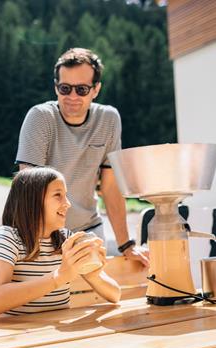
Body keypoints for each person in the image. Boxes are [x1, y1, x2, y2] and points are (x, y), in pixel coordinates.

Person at [16, 47, 148, 266]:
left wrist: (126, 245)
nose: (72, 97)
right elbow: (29, 187)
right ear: (55, 87)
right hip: (43, 234)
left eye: (82, 89)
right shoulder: (40, 117)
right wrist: (50, 239)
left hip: (88, 230)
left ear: (96, 89)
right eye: (65, 88)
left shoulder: (108, 119)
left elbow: (111, 187)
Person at [0, 167, 120, 316]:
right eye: (58, 195)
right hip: (18, 335)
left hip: (57, 334)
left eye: (66, 195)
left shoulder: (66, 239)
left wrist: (95, 273)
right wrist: (59, 277)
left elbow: (115, 295)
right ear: (32, 200)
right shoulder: (8, 237)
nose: (68, 203)